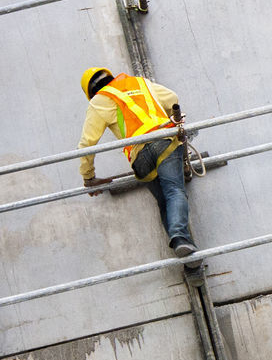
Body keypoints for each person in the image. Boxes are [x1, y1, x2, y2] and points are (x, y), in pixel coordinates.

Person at [78, 67, 197, 258]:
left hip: (140, 157)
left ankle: (187, 256)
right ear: (109, 75)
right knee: (174, 190)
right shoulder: (139, 83)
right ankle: (180, 238)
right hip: (164, 141)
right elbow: (173, 98)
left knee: (164, 202)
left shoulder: (98, 103)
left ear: (90, 93)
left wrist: (88, 177)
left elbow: (87, 144)